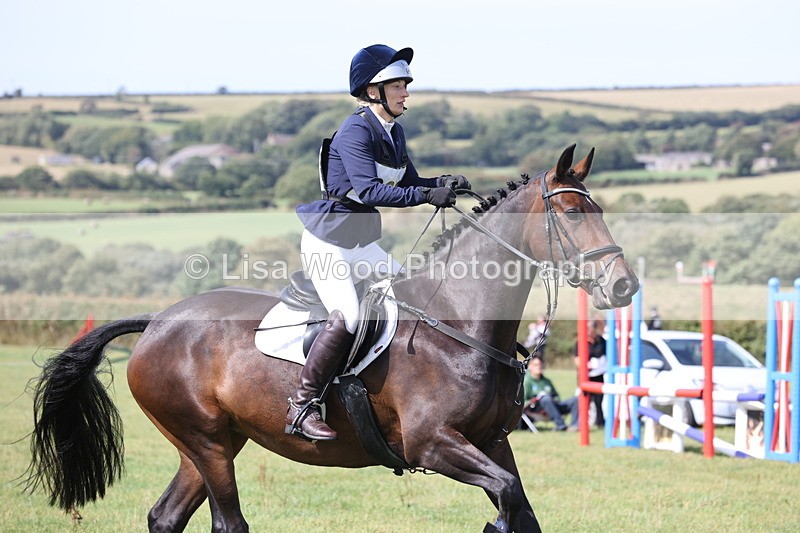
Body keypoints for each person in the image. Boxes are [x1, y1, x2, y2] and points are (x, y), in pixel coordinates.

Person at [288, 44, 472, 441]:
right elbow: (370, 191)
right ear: (374, 91)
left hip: (359, 243)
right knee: (350, 316)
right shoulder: (356, 130)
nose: (406, 92)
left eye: (406, 85)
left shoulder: (394, 130)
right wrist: (427, 197)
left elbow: (408, 182)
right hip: (328, 242)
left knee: (413, 294)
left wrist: (441, 183)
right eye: (398, 85)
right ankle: (303, 405)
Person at [522, 356, 578, 431]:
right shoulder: (527, 381)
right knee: (546, 399)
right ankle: (562, 426)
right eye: (536, 365)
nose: (539, 367)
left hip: (553, 406)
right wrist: (536, 400)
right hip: (535, 409)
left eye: (541, 365)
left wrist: (554, 400)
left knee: (577, 399)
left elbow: (557, 396)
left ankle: (575, 426)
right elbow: (523, 401)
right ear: (530, 367)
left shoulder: (547, 381)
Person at [574, 318, 607, 428]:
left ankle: (600, 422)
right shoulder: (580, 342)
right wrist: (586, 366)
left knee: (599, 401)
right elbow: (577, 359)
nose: (589, 331)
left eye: (591, 329)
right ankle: (582, 423)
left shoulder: (601, 341)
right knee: (584, 401)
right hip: (585, 375)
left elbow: (607, 356)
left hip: (598, 375)